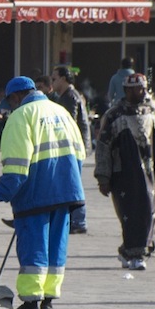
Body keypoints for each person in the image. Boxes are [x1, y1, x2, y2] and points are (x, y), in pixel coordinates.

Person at [0, 77, 85, 309]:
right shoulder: (61, 112)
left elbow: (17, 168)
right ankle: (48, 303)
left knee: (34, 250)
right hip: (65, 193)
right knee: (55, 249)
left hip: (35, 196)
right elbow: (80, 155)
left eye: (10, 101)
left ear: (16, 97)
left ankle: (30, 305)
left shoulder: (20, 118)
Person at [93, 73, 155, 272]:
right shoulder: (114, 115)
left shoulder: (153, 113)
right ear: (127, 90)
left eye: (144, 88)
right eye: (137, 88)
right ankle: (129, 250)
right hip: (123, 174)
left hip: (149, 172)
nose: (142, 92)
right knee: (128, 214)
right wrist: (103, 176)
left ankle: (138, 253)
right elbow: (103, 147)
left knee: (147, 210)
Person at [47, 67, 92, 235]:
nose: (52, 83)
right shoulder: (69, 96)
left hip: (72, 147)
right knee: (70, 182)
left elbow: (67, 122)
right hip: (74, 146)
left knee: (72, 183)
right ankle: (74, 219)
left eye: (54, 79)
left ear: (64, 79)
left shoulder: (70, 97)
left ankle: (79, 220)